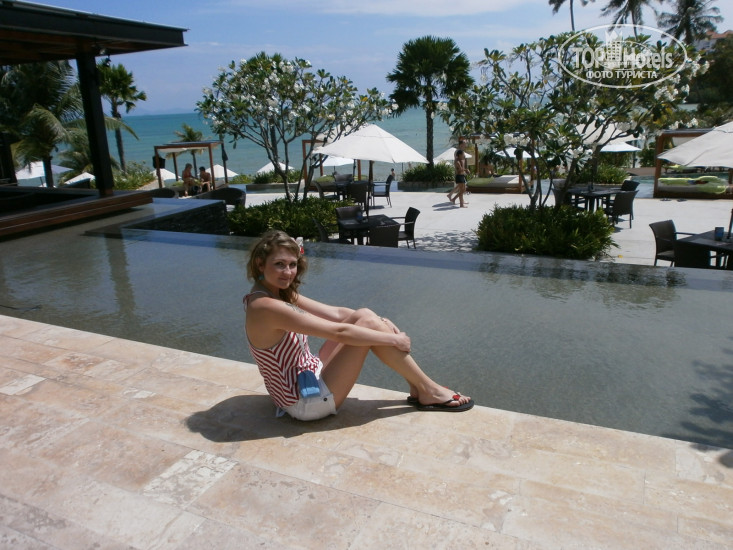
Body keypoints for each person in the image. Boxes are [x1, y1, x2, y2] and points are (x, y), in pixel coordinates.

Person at [243, 230, 473, 421]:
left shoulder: (275, 293)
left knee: (365, 316)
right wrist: (394, 339)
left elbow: (337, 314)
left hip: (306, 373)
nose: (288, 272)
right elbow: (339, 331)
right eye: (279, 264)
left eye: (292, 264)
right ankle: (429, 390)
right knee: (367, 328)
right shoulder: (266, 307)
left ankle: (419, 387)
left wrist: (380, 321)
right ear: (260, 264)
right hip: (304, 401)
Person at [447, 140, 469, 208]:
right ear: (461, 144)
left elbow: (463, 163)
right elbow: (458, 163)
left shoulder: (462, 151)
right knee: (461, 188)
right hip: (459, 173)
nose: (466, 145)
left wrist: (464, 170)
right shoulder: (458, 152)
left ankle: (453, 197)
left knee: (462, 188)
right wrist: (465, 170)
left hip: (462, 173)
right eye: (464, 143)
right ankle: (458, 200)